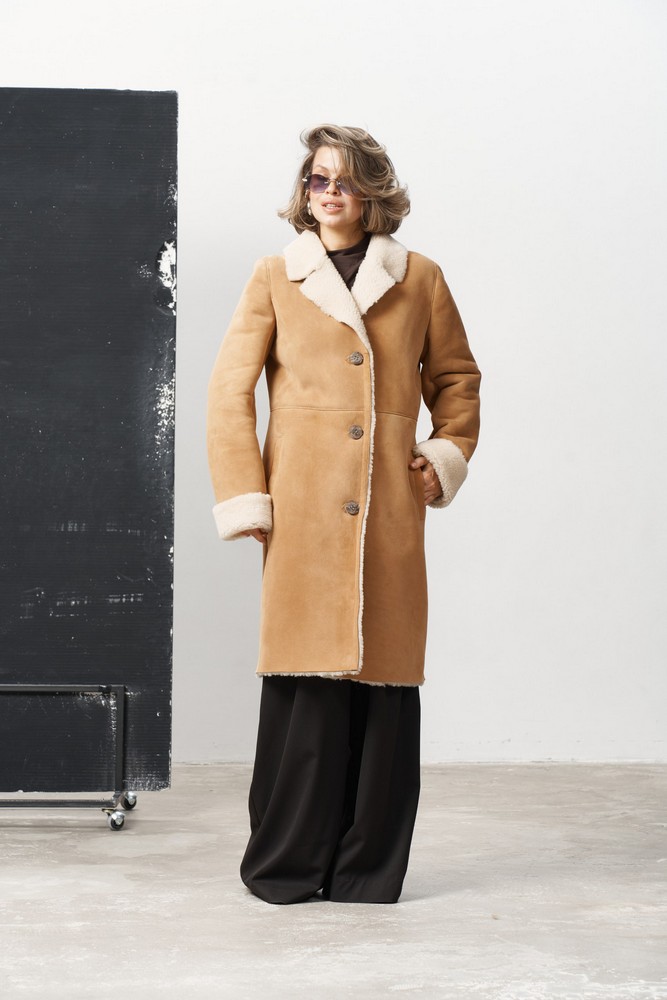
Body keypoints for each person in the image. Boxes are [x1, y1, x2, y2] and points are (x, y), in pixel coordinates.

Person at [207, 124, 481, 905]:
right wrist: (247, 494)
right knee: (304, 684)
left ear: (372, 193)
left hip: (387, 506)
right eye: (318, 179)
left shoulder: (419, 278)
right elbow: (229, 393)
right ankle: (288, 865)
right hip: (299, 508)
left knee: (383, 681)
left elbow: (456, 379)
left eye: (345, 180)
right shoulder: (275, 275)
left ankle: (365, 869)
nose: (329, 193)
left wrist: (443, 452)